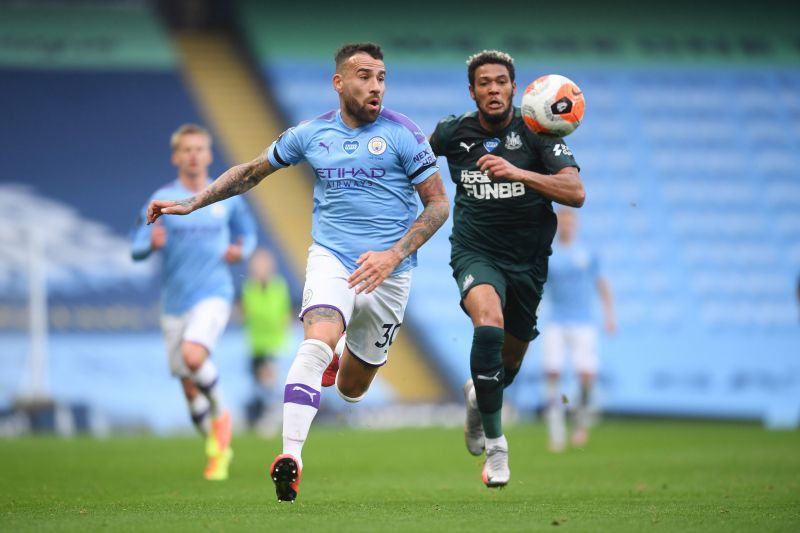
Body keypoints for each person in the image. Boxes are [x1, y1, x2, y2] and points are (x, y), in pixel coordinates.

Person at [146, 42, 449, 502]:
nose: (375, 86)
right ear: (339, 82)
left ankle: (341, 351)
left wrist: (391, 255)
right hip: (333, 258)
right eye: (364, 76)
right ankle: (292, 457)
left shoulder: (405, 135)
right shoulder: (311, 134)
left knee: (351, 389)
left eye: (381, 77)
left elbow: (438, 204)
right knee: (314, 343)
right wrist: (194, 201)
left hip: (390, 271)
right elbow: (251, 172)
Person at [429, 50, 585, 488]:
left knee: (509, 364)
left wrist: (517, 174)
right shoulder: (452, 133)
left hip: (528, 263)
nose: (493, 89)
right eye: (484, 83)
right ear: (472, 90)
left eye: (501, 82)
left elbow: (575, 192)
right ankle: (497, 448)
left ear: (515, 89)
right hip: (474, 251)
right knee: (488, 323)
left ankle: (478, 398)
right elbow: (414, 162)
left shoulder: (539, 131)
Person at [130, 124, 256, 480]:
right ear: (176, 156)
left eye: (199, 149)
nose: (194, 155)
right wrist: (149, 245)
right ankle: (217, 448)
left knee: (193, 357)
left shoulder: (224, 196)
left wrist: (240, 250)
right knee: (187, 384)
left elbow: (248, 235)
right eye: (187, 149)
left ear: (209, 154)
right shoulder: (162, 198)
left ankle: (223, 413)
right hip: (174, 303)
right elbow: (136, 244)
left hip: (214, 293)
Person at [541, 208, 616, 451]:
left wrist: (609, 315)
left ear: (575, 224)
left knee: (586, 377)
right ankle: (556, 432)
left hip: (584, 322)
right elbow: (539, 288)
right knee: (552, 373)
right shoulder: (548, 254)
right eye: (562, 221)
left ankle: (580, 423)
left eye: (570, 221)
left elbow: (602, 283)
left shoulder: (588, 253)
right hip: (557, 321)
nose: (566, 225)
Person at [241, 247, 292, 433]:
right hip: (255, 345)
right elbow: (248, 314)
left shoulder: (279, 286)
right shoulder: (249, 287)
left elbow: (280, 314)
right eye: (257, 265)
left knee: (271, 384)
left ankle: (273, 420)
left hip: (274, 344)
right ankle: (270, 417)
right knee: (261, 388)